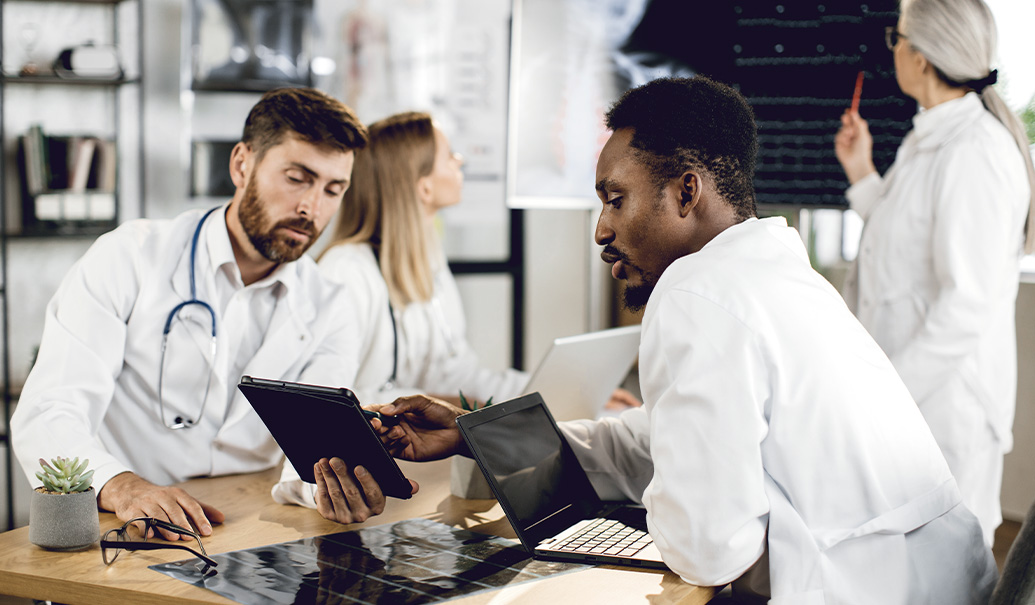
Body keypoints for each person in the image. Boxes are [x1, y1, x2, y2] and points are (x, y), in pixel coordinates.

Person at [329, 76, 998, 602]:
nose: (599, 229)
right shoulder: (771, 274)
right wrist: (478, 431)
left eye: (614, 199)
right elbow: (652, 438)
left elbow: (707, 549)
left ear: (685, 192)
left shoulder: (697, 292)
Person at [10, 87, 371, 541]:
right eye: (298, 178)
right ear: (242, 164)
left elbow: (314, 450)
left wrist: (332, 486)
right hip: (127, 525)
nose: (311, 208)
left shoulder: (333, 303)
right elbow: (49, 410)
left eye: (333, 189)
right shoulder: (130, 257)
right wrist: (121, 486)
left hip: (252, 527)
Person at [834, 0, 1034, 547]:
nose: (892, 48)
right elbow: (906, 244)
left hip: (945, 411)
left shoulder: (977, 152)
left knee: (944, 569)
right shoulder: (930, 140)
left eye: (895, 39)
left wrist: (885, 398)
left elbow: (966, 305)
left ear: (920, 57)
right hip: (912, 404)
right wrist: (862, 173)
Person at [271, 111, 532, 511]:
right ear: (423, 186)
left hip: (417, 482)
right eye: (449, 156)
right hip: (355, 479)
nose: (460, 162)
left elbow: (457, 372)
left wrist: (534, 394)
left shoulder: (428, 263)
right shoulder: (346, 270)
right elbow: (329, 401)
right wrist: (430, 399)